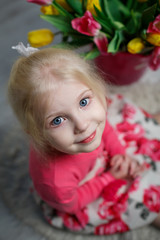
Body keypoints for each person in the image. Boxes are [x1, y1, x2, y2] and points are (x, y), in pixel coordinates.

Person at [8, 43, 160, 235]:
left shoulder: (90, 125)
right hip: (84, 189)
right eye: (58, 120)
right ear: (35, 132)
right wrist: (109, 178)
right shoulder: (54, 180)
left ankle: (151, 120)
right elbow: (72, 204)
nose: (82, 125)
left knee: (130, 119)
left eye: (83, 101)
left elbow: (106, 130)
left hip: (98, 158)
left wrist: (119, 154)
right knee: (138, 202)